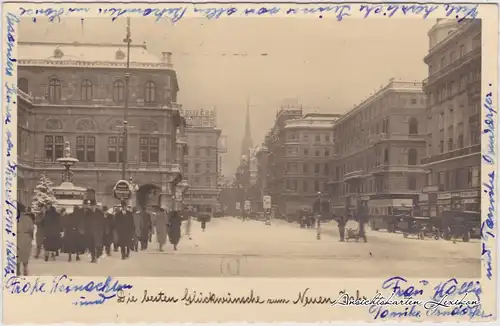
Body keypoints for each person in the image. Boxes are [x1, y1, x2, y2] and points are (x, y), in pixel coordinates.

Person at [17, 203, 34, 276]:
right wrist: (31, 237)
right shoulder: (28, 218)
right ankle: (25, 268)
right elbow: (31, 229)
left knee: (17, 254)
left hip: (16, 236)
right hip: (26, 236)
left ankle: (17, 270)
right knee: (25, 254)